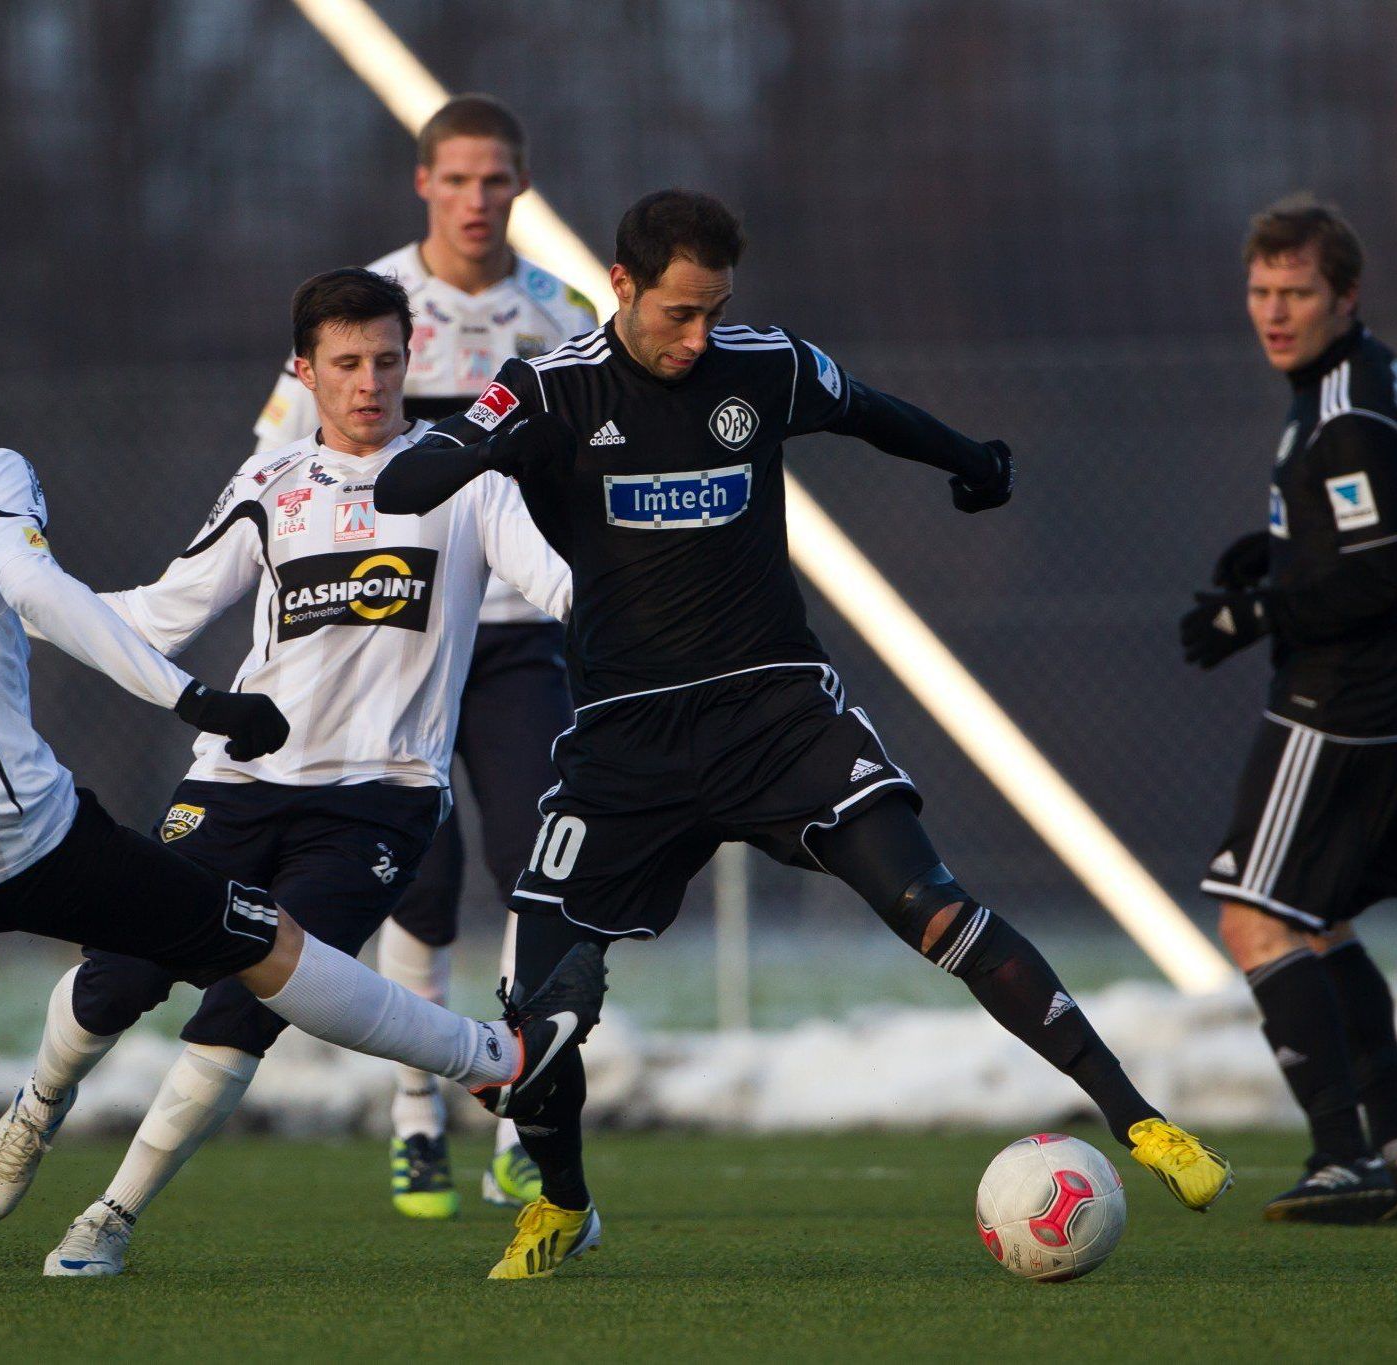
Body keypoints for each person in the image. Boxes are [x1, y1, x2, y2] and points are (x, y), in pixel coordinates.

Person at [0, 305, 603, 1289]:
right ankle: (492, 1053)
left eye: (386, 360)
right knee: (244, 952)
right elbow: (66, 595)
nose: (370, 380)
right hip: (13, 833)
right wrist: (190, 695)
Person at [377, 189, 1235, 1280]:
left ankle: (1139, 1121)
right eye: (677, 314)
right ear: (621, 287)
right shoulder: (549, 390)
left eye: (714, 312)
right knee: (541, 1008)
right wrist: (446, 456)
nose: (698, 338)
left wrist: (971, 460)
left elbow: (870, 410)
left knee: (932, 905)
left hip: (777, 710)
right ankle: (562, 1204)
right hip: (623, 744)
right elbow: (411, 474)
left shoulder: (762, 366)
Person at [0, 267, 573, 1275]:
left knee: (250, 1001)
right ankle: (37, 1103)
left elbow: (558, 586)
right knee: (116, 978)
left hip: (379, 805)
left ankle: (110, 1217)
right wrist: (17, 603)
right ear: (304, 371)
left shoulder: (470, 480)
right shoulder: (271, 483)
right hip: (237, 786)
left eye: (386, 359)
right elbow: (163, 611)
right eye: (344, 363)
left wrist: (644, 633)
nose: (369, 381)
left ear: (408, 358)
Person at [253, 95, 595, 1211]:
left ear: (520, 185)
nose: (476, 198)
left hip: (509, 639)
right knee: (419, 878)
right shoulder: (368, 305)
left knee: (533, 860)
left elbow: (600, 461)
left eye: (496, 178)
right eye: (456, 178)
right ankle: (415, 1113)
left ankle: (519, 1100)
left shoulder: (559, 312)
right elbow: (271, 461)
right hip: (385, 631)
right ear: (423, 185)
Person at [1180, 195, 1397, 1223]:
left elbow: (1375, 578)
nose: (1273, 312)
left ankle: (1342, 1159)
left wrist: (1255, 610)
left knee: (1253, 918)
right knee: (1316, 921)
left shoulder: (1346, 409)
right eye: (1259, 291)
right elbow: (1393, 534)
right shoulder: (1354, 378)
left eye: (1295, 293)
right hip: (1393, 693)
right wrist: (1281, 557)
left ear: (1343, 295)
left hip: (1343, 701)